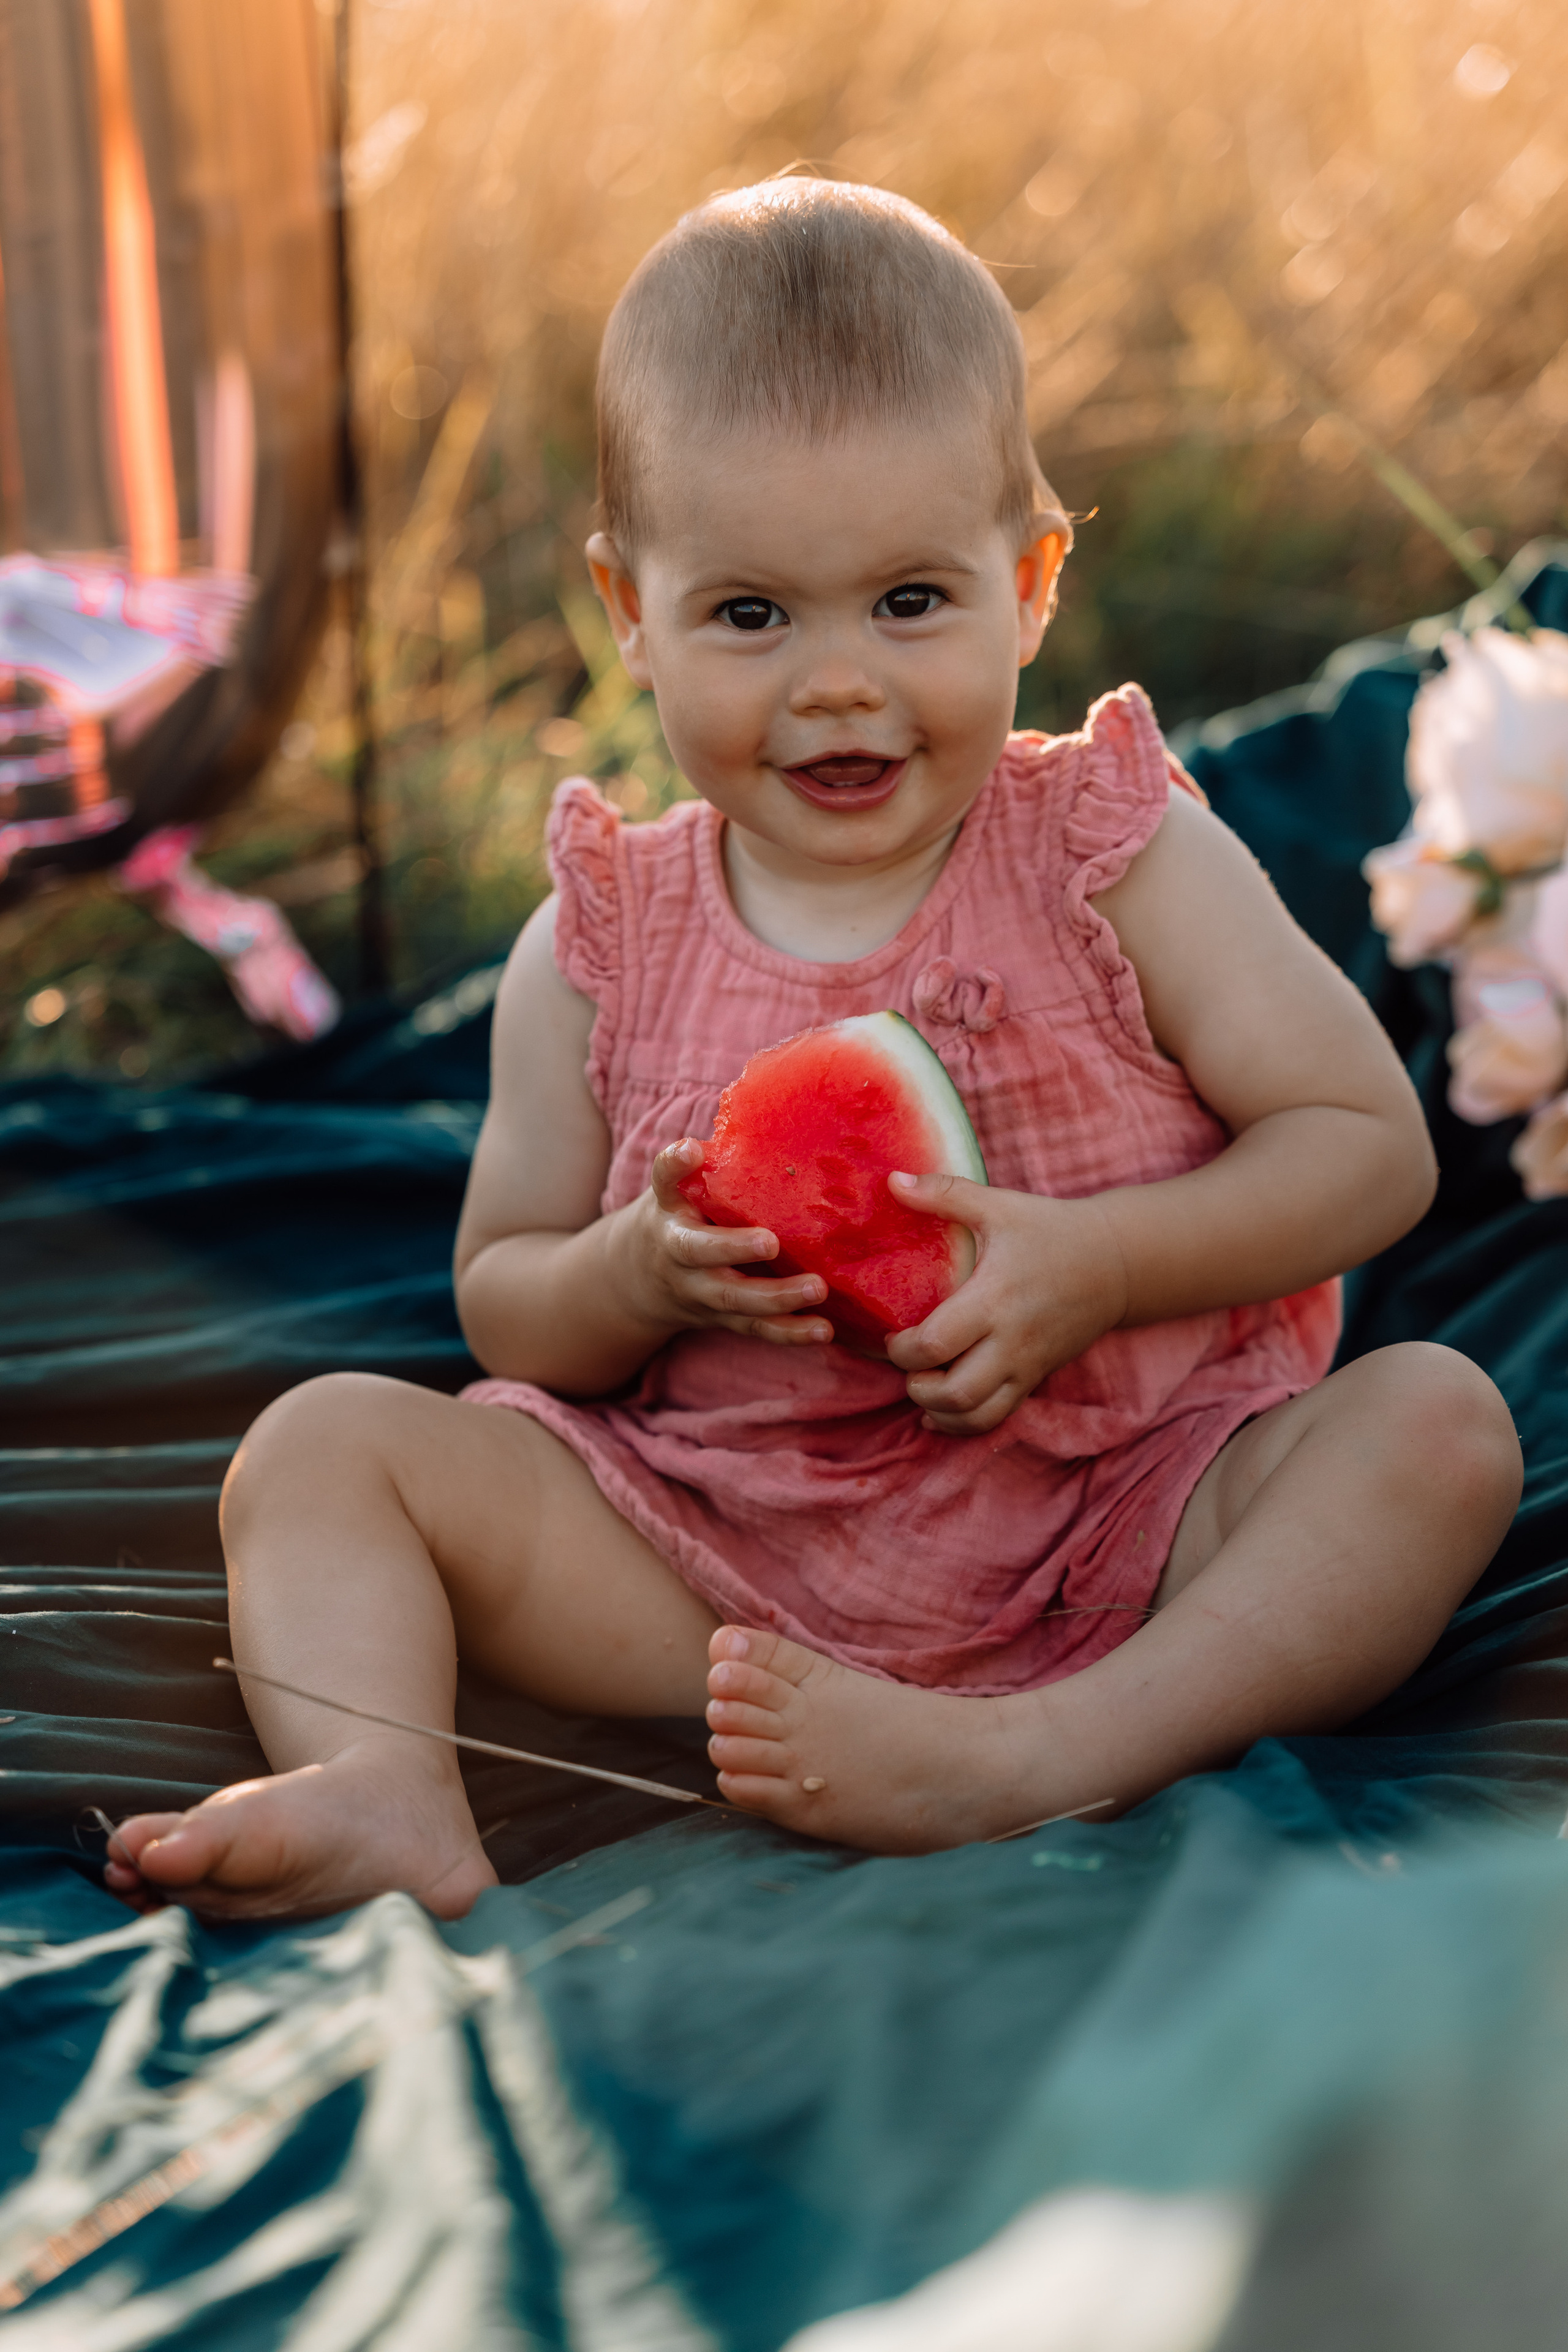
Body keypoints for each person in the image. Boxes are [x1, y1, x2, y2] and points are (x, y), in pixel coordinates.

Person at [106, 179, 1521, 1922]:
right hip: (718, 1562)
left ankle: (1054, 1750)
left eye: (912, 602)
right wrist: (637, 1270)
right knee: (318, 1449)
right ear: (632, 608)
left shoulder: (1114, 848)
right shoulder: (601, 942)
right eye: (753, 615)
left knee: (1440, 1428)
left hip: (1133, 1521)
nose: (838, 683)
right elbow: (506, 1298)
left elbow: (1368, 1148)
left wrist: (1106, 1263)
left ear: (1031, 581)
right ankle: (384, 1783)